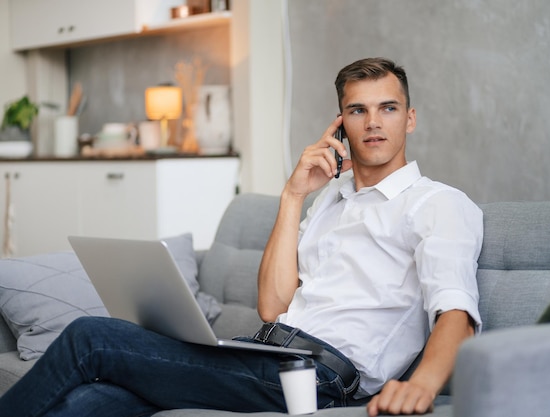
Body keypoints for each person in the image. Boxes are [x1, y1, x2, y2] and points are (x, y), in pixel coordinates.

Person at [0, 57, 482, 417]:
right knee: (91, 401)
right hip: (262, 352)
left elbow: (456, 312)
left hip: (319, 380)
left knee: (89, 337)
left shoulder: (437, 203)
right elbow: (273, 308)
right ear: (340, 125)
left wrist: (421, 386)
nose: (373, 122)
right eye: (358, 110)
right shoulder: (328, 201)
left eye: (388, 108)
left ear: (410, 118)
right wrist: (293, 196)